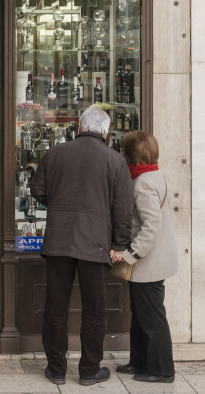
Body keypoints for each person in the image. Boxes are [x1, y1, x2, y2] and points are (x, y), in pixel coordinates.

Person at [31, 107, 133, 387]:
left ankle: (56, 369)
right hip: (96, 245)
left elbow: (37, 190)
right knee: (94, 309)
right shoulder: (114, 161)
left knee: (55, 306)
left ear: (78, 127)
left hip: (59, 240)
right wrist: (120, 245)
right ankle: (89, 370)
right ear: (106, 132)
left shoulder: (55, 154)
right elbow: (123, 210)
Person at [111, 130, 177, 384]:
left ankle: (162, 370)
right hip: (150, 261)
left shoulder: (144, 182)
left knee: (151, 316)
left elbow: (151, 227)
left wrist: (129, 255)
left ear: (132, 156)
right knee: (140, 313)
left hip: (149, 262)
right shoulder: (152, 175)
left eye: (124, 151)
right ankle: (139, 361)